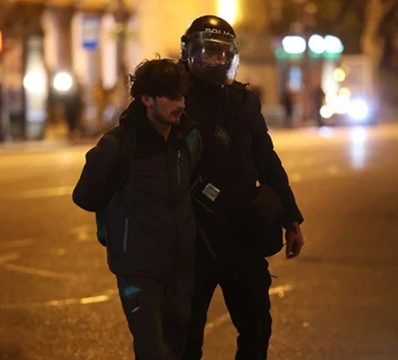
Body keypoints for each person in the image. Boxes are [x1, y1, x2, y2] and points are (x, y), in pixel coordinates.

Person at [179, 15, 306, 360]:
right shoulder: (176, 100)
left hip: (242, 232)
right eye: (207, 52)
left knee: (256, 327)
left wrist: (291, 219)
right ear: (189, 52)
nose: (215, 61)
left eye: (222, 54)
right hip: (193, 237)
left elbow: (268, 160)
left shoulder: (243, 101)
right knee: (186, 336)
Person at [72, 59, 201, 360]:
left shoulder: (189, 139)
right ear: (147, 99)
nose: (180, 104)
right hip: (138, 269)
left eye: (181, 96)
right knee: (151, 350)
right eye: (171, 97)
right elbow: (85, 195)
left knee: (178, 347)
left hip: (180, 265)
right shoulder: (117, 145)